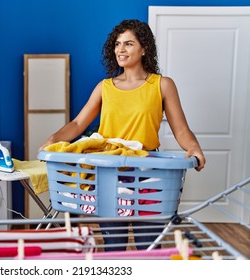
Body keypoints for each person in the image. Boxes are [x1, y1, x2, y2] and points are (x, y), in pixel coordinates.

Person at [39, 19, 206, 250]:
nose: (121, 49)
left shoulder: (162, 85)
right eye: (117, 44)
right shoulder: (104, 87)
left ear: (144, 48)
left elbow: (181, 130)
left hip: (147, 171)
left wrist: (194, 147)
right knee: (113, 244)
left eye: (128, 43)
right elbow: (78, 123)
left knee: (148, 245)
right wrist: (54, 139)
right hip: (109, 173)